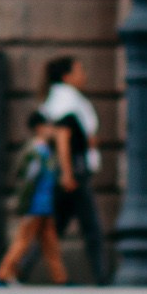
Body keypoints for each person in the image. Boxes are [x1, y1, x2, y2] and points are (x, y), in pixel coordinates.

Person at [41, 53, 105, 282]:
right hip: (74, 171)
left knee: (52, 227)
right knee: (91, 228)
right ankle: (102, 278)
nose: (84, 75)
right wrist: (68, 173)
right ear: (67, 76)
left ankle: (14, 270)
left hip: (72, 170)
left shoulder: (64, 99)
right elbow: (62, 138)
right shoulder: (66, 101)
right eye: (79, 71)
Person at [0, 110, 72, 286]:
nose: (52, 129)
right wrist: (25, 204)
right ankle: (3, 273)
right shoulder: (36, 152)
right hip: (36, 204)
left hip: (45, 204)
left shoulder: (45, 151)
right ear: (39, 128)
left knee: (50, 243)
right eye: (49, 125)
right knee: (23, 240)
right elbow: (28, 180)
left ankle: (60, 278)